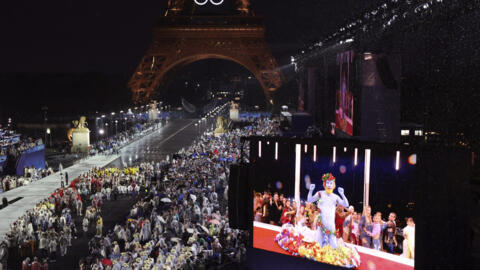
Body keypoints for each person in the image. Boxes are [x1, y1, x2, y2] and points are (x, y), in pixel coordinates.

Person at [308, 173, 349, 249]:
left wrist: (342, 194)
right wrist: (310, 191)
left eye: (331, 183)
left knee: (333, 246)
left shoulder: (335, 196)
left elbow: (346, 204)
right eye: (327, 183)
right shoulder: (320, 193)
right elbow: (310, 200)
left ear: (333, 185)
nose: (329, 185)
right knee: (319, 245)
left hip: (331, 224)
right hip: (321, 224)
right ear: (324, 184)